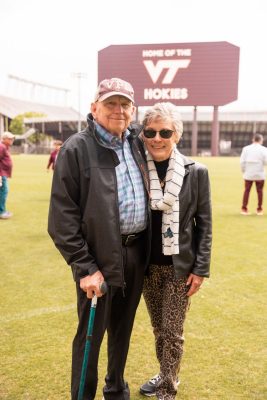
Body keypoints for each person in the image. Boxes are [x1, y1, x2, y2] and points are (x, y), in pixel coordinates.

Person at [48, 77, 150, 400]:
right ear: (94, 108)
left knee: (123, 330)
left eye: (124, 104)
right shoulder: (76, 148)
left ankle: (116, 388)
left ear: (133, 111)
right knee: (90, 336)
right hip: (98, 259)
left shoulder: (137, 143)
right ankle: (83, 395)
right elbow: (61, 219)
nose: (118, 110)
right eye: (110, 103)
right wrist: (85, 267)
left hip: (135, 252)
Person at [138, 102, 212, 400]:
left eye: (165, 131)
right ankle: (166, 373)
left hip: (179, 267)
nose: (157, 138)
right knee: (159, 329)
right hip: (144, 265)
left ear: (176, 135)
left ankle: (168, 389)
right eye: (151, 131)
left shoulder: (197, 172)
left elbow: (204, 223)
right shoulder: (137, 168)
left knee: (172, 331)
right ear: (142, 134)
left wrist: (201, 268)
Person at [240, 133, 267, 215]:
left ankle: (244, 209)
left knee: (247, 191)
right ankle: (259, 209)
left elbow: (242, 162)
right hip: (259, 173)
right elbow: (266, 161)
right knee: (260, 191)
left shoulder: (246, 149)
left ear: (253, 139)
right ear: (261, 140)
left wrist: (244, 171)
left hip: (248, 173)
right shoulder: (264, 149)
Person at [0, 131, 15, 219]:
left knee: (3, 192)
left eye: (12, 138)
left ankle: (2, 210)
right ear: (4, 139)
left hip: (3, 173)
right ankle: (2, 212)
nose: (11, 140)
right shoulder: (1, 147)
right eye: (9, 138)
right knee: (3, 192)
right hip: (1, 174)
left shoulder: (5, 147)